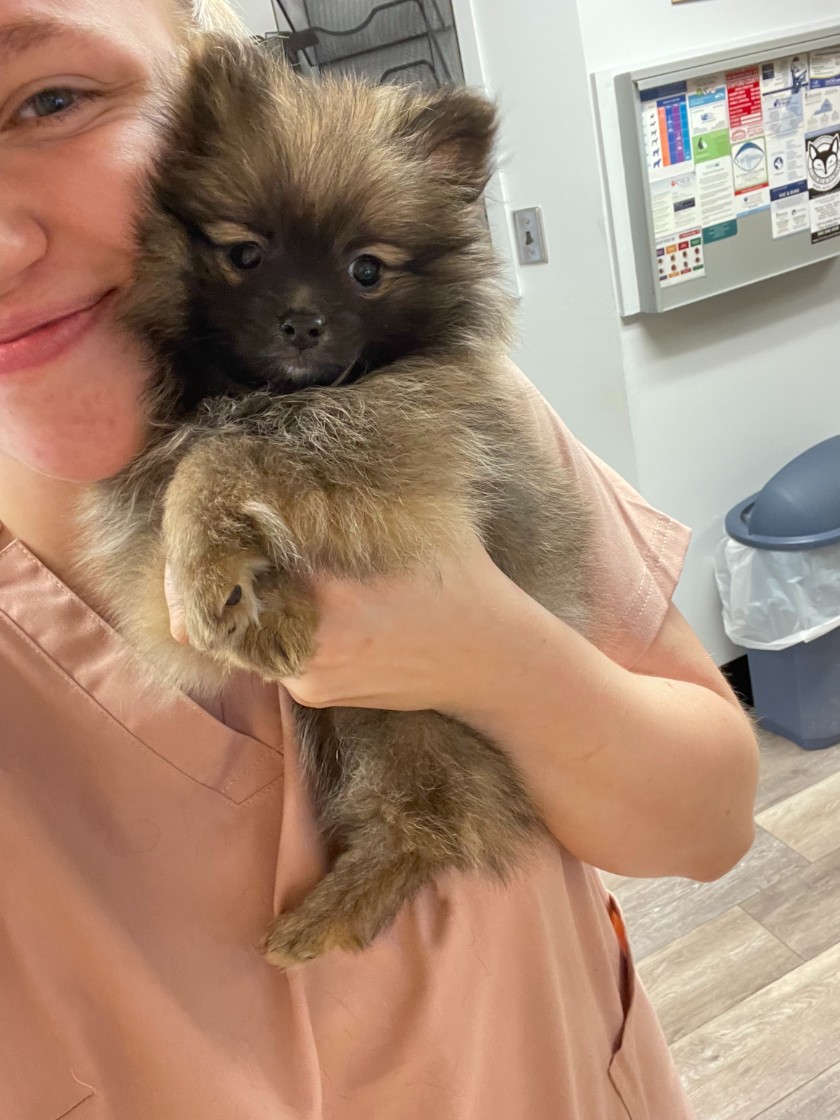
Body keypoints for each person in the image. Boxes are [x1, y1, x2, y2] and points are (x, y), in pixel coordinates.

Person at [0, 1, 759, 1117]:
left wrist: (491, 652)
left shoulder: (467, 412)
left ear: (199, 86)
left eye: (50, 100)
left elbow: (710, 817)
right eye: (247, 256)